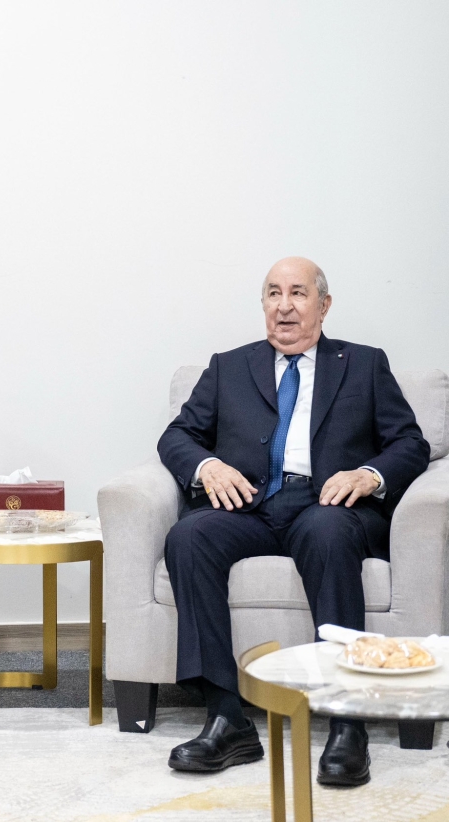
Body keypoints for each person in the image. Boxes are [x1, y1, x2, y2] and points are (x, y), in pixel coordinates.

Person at [157, 257, 429, 786]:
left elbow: (410, 443)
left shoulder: (364, 364)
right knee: (189, 536)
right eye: (273, 293)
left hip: (327, 504)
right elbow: (178, 435)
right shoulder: (228, 366)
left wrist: (369, 475)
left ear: (323, 306)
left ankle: (347, 722)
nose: (284, 306)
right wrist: (207, 466)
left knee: (327, 532)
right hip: (250, 505)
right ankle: (226, 719)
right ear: (263, 304)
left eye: (298, 293)